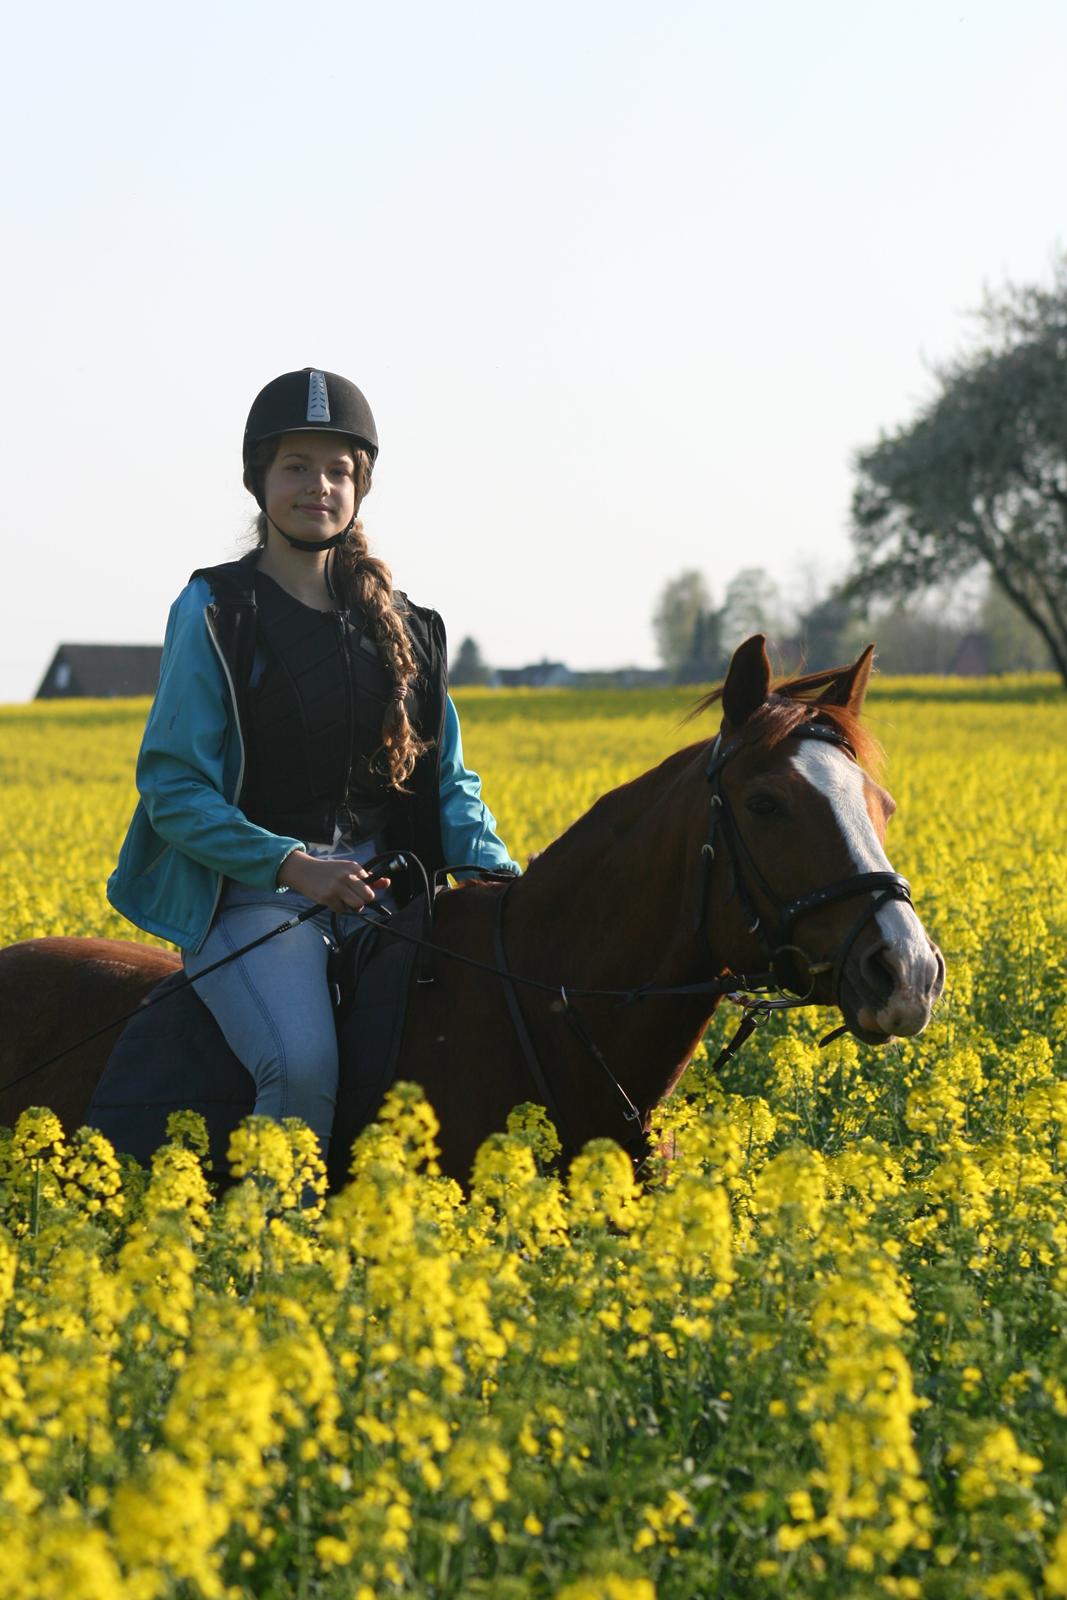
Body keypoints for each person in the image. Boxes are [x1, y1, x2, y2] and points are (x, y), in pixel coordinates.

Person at [108, 366, 519, 1161]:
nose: (317, 486)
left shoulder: (408, 627)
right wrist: (292, 867)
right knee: (300, 1067)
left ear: (360, 485)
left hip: (390, 897)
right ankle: (275, 1262)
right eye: (295, 466)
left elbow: (449, 782)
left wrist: (499, 876)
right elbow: (175, 788)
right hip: (252, 903)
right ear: (258, 478)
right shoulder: (217, 612)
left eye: (338, 470)